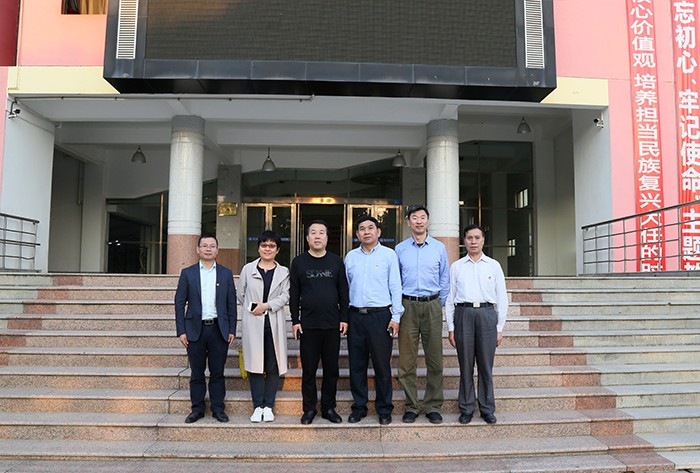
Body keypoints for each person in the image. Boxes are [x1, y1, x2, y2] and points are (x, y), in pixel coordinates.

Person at [446, 224, 508, 425]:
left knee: (485, 366)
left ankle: (487, 408)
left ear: (483, 240)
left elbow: (502, 297)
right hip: (463, 314)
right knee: (465, 365)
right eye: (469, 238)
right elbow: (450, 298)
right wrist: (451, 327)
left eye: (477, 238)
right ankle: (466, 408)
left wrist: (499, 327)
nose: (473, 242)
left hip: (487, 315)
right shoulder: (456, 267)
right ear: (464, 241)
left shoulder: (493, 265)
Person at [344, 215, 403, 425]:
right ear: (357, 234)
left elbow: (396, 286)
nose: (366, 231)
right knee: (356, 365)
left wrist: (396, 317)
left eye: (371, 228)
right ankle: (359, 407)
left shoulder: (389, 255)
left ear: (378, 232)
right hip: (355, 316)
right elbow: (346, 288)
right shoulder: (350, 257)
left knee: (382, 365)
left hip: (380, 317)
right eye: (362, 228)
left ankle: (384, 409)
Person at [290, 220, 350, 425]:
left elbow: (343, 292)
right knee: (309, 370)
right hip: (308, 326)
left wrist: (344, 318)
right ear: (307, 238)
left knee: (331, 370)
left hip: (332, 325)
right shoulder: (299, 262)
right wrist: (295, 320)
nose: (317, 236)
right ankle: (309, 409)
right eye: (313, 232)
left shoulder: (336, 261)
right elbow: (294, 294)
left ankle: (328, 408)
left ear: (326, 237)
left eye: (321, 232)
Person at [395, 205, 449, 424]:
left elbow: (444, 277)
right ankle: (411, 406)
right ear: (408, 222)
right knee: (406, 361)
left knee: (434, 359)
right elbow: (395, 280)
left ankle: (433, 405)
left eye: (422, 217)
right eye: (414, 218)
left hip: (432, 305)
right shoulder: (399, 249)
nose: (419, 221)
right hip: (407, 306)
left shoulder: (439, 248)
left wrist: (439, 303)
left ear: (428, 221)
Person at [175, 234, 237, 424]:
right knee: (197, 372)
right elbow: (179, 303)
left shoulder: (226, 274)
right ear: (198, 249)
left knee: (217, 372)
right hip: (195, 330)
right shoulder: (188, 273)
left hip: (218, 329)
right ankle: (197, 409)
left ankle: (218, 409)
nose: (208, 249)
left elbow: (231, 304)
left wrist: (232, 329)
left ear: (217, 250)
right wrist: (181, 330)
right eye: (204, 246)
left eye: (212, 246)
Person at [238, 230, 290, 423]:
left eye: (272, 246)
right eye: (264, 245)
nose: (267, 249)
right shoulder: (248, 269)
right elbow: (241, 294)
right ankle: (257, 406)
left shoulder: (284, 272)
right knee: (255, 365)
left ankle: (268, 406)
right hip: (253, 323)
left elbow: (285, 296)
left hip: (274, 322)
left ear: (277, 250)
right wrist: (254, 308)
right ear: (258, 248)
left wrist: (266, 306)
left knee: (273, 364)